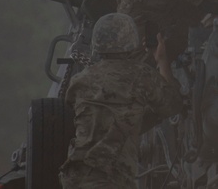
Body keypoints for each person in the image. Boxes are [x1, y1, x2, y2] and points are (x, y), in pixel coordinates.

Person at [58, 12, 182, 189]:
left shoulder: (80, 80)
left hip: (75, 176)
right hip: (111, 178)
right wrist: (162, 60)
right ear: (131, 39)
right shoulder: (140, 75)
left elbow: (91, 115)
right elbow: (172, 104)